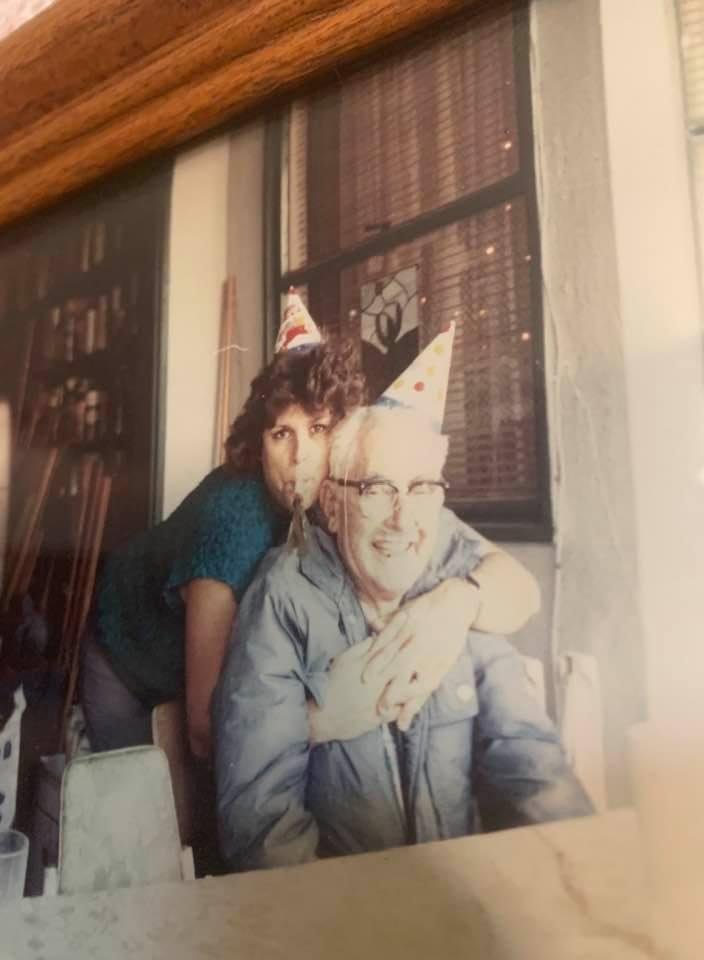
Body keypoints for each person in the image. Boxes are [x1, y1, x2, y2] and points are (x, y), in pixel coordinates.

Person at [81, 301, 539, 759]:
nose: (300, 457)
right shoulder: (232, 521)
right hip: (130, 656)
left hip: (224, 675)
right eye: (282, 434)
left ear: (345, 433)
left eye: (318, 428)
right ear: (258, 444)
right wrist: (327, 716)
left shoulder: (361, 490)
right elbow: (204, 730)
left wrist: (459, 600)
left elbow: (519, 586)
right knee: (141, 788)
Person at [213, 327, 592, 871]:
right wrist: (311, 723)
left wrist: (582, 868)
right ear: (333, 503)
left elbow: (530, 762)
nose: (402, 517)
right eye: (376, 489)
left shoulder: (449, 562)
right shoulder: (282, 591)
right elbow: (261, 825)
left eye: (421, 489)